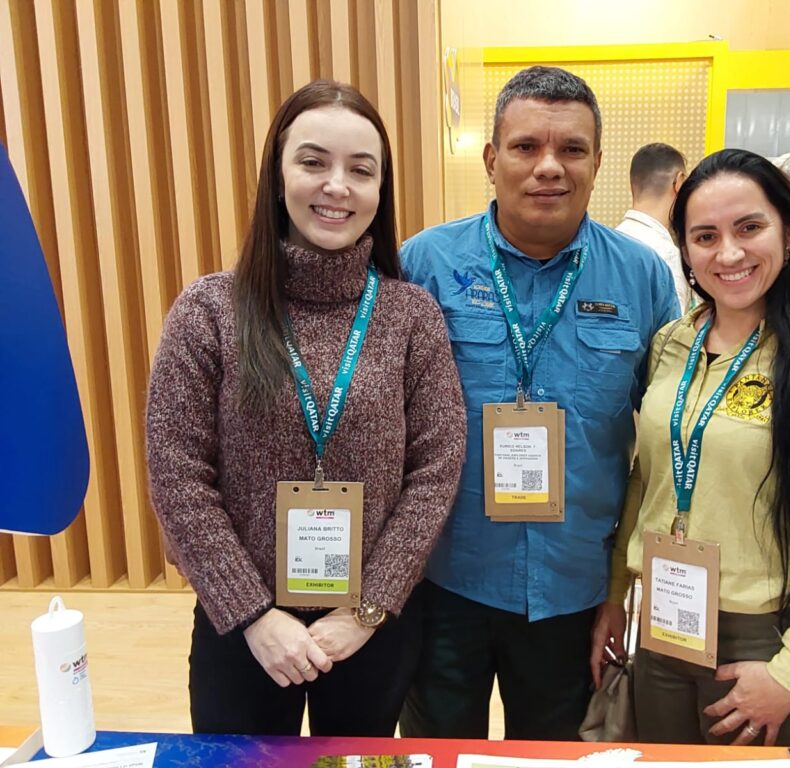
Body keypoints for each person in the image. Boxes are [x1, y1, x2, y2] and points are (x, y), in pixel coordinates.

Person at [146, 80, 466, 737]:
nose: (337, 186)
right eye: (313, 162)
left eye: (361, 170)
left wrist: (368, 609)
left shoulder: (411, 316)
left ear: (381, 192)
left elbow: (435, 470)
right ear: (278, 174)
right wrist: (253, 614)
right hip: (242, 629)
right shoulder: (209, 311)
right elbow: (178, 477)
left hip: (370, 630)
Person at [399, 65, 680, 741]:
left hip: (573, 588)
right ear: (492, 159)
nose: (549, 167)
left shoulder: (643, 278)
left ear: (598, 163)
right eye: (526, 147)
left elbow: (668, 444)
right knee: (438, 756)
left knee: (552, 760)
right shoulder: (423, 264)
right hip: (444, 581)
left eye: (572, 149)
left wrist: (625, 590)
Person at [594, 148, 790, 747]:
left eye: (749, 228)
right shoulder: (673, 343)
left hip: (766, 641)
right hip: (664, 624)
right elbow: (648, 478)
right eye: (704, 236)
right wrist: (615, 594)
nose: (728, 253)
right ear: (684, 249)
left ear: (789, 229)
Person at [616, 143, 694, 310]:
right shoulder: (666, 255)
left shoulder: (607, 246)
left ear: (632, 186)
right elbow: (672, 334)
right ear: (679, 182)